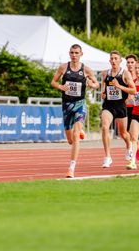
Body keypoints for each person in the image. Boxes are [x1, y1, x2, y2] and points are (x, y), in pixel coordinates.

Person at [50, 44, 99, 178]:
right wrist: (61, 86)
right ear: (69, 53)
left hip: (80, 104)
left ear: (81, 54)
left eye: (77, 53)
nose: (74, 55)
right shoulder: (63, 67)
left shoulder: (86, 70)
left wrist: (91, 84)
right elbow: (53, 82)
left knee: (76, 135)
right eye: (72, 52)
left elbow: (97, 84)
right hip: (66, 105)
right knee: (71, 140)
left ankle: (71, 168)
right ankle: (79, 130)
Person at [99, 51, 136, 169]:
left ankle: (129, 146)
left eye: (116, 58)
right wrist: (103, 93)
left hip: (121, 106)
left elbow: (133, 90)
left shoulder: (125, 74)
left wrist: (119, 86)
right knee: (105, 127)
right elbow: (104, 88)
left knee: (123, 133)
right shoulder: (105, 73)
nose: (113, 60)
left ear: (120, 61)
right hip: (108, 106)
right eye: (112, 59)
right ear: (109, 61)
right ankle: (107, 156)